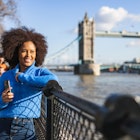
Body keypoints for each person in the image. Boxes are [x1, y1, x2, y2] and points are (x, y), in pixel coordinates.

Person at [0, 27, 61, 140]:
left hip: (26, 129)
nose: (28, 55)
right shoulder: (6, 75)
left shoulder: (39, 72)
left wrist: (24, 78)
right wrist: (2, 100)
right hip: (3, 127)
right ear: (16, 52)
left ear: (37, 54)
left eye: (32, 51)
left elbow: (53, 79)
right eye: (24, 51)